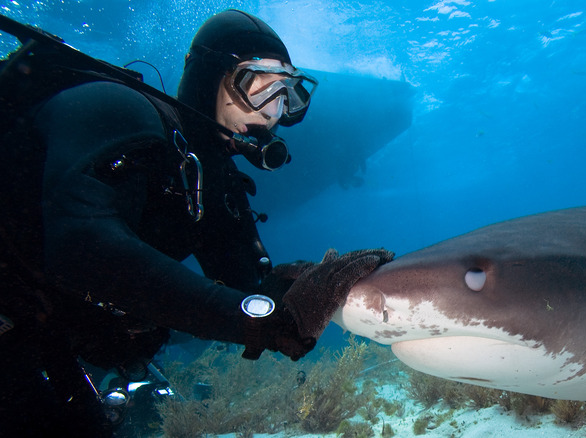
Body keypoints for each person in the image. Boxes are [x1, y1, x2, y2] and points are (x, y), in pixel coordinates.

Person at [0, 9, 393, 437]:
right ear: (209, 74)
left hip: (42, 339)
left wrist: (311, 283)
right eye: (256, 86)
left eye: (287, 94)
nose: (273, 112)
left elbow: (247, 284)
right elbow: (83, 247)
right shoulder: (116, 109)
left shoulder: (213, 181)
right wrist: (254, 320)